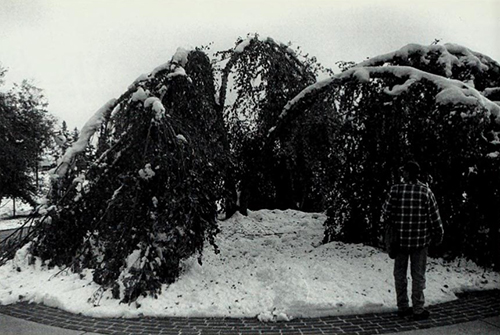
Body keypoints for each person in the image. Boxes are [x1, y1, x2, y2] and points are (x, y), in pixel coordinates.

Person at [381, 161, 444, 320]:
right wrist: (438, 234)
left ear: (408, 173)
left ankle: (403, 306)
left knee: (399, 274)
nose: (402, 173)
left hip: (400, 242)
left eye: (404, 171)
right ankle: (418, 309)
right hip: (420, 242)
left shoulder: (395, 190)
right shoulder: (425, 192)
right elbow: (434, 217)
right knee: (418, 276)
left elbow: (385, 214)